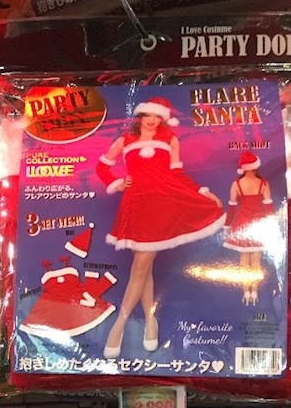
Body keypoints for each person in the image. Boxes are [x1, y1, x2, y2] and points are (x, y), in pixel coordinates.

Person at [95, 96, 225, 359]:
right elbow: (101, 167)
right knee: (144, 268)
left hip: (162, 204)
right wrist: (117, 183)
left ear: (163, 118)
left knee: (140, 267)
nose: (153, 121)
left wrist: (202, 192)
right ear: (140, 116)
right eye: (148, 115)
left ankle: (118, 326)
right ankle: (150, 321)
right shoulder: (125, 140)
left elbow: (177, 175)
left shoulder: (170, 139)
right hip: (136, 204)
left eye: (158, 117)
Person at [224, 151, 275, 305]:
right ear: (256, 166)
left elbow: (232, 208)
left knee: (244, 261)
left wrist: (227, 226)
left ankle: (246, 293)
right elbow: (269, 209)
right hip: (258, 226)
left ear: (242, 167)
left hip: (242, 226)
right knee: (256, 262)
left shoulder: (236, 184)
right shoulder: (263, 183)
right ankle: (255, 293)